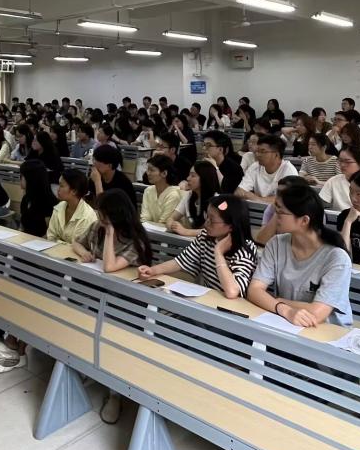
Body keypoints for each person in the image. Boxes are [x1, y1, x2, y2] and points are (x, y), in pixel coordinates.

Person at [72, 189, 154, 424]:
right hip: (98, 293)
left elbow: (109, 267)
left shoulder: (134, 240)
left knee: (111, 337)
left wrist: (110, 233)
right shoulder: (97, 228)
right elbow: (76, 242)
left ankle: (114, 394)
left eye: (102, 213)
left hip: (126, 303)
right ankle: (84, 362)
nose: (98, 217)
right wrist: (84, 252)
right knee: (76, 316)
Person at [247, 185, 353, 327]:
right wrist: (284, 309)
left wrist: (275, 300)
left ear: (304, 220)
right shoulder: (276, 244)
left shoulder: (337, 258)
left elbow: (317, 313)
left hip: (327, 330)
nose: (275, 217)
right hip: (288, 323)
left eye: (281, 212)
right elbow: (254, 290)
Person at [139, 195, 258, 299]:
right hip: (210, 299)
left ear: (231, 226)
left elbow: (232, 292)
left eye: (212, 220)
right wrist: (153, 270)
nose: (206, 223)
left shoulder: (245, 250)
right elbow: (180, 262)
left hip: (233, 309)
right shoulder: (206, 237)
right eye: (207, 217)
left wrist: (218, 252)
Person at [236, 135, 298, 205]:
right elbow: (239, 192)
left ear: (276, 155)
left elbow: (286, 200)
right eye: (257, 151)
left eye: (263, 152)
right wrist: (266, 199)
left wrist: (257, 198)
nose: (258, 154)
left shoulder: (288, 170)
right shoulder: (255, 167)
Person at [167, 160, 221, 237]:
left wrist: (186, 231)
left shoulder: (217, 200)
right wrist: (172, 225)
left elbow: (214, 230)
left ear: (204, 178)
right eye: (189, 175)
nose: (188, 178)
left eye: (193, 176)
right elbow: (171, 218)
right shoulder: (189, 196)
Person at [47, 169, 98, 244]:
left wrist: (58, 241)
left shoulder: (87, 216)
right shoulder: (59, 207)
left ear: (74, 191)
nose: (58, 189)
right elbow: (51, 237)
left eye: (61, 186)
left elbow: (78, 245)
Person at [318, 146, 360, 211]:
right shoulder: (334, 181)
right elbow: (320, 204)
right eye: (340, 161)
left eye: (347, 162)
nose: (342, 165)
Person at [140, 154, 183, 225]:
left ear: (164, 173)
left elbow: (164, 223)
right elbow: (144, 218)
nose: (148, 173)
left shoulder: (173, 195)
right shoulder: (148, 190)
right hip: (149, 229)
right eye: (148, 169)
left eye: (152, 170)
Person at [18, 159, 57, 237]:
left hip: (40, 241)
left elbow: (50, 234)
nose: (20, 179)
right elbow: (22, 227)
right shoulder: (26, 199)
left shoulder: (48, 203)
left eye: (21, 176)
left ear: (31, 178)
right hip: (25, 239)